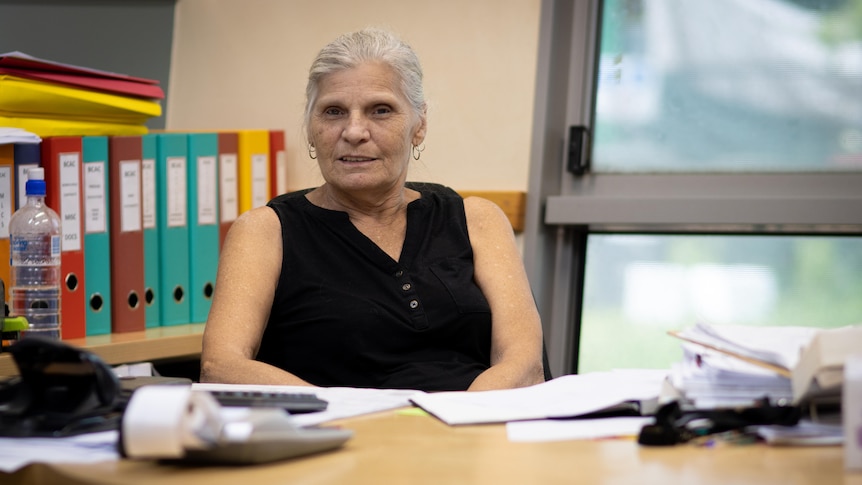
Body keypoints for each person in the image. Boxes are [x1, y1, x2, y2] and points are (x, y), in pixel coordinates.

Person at [200, 27, 545, 392]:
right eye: (333, 112)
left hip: (473, 430)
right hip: (337, 435)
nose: (354, 131)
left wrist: (456, 425)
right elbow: (221, 366)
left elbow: (524, 363)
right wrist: (347, 416)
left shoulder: (477, 220)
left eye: (380, 110)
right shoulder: (265, 231)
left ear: (419, 125)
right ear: (311, 129)